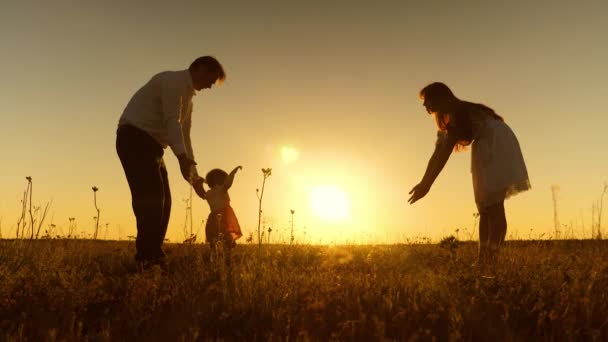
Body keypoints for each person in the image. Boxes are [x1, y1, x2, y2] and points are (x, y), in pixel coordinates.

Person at [116, 56, 225, 269]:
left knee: (165, 202)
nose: (210, 87)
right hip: (134, 138)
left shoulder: (189, 100)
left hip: (154, 147)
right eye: (211, 80)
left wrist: (194, 177)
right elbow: (171, 123)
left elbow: (185, 136)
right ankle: (146, 258)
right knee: (151, 198)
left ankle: (153, 256)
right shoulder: (172, 82)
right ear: (201, 69)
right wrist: (182, 159)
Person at [408, 82, 530, 266]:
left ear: (441, 98)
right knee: (485, 207)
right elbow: (436, 155)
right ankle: (484, 259)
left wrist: (427, 185)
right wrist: (424, 182)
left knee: (494, 205)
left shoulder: (458, 113)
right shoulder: (450, 118)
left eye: (427, 100)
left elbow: (443, 155)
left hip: (495, 143)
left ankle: (491, 260)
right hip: (488, 143)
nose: (425, 106)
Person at [200, 166, 243, 252]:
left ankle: (215, 256)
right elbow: (228, 183)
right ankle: (226, 257)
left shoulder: (208, 193)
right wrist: (233, 172)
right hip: (224, 217)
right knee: (226, 238)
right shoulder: (222, 189)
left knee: (214, 238)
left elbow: (200, 192)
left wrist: (198, 182)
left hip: (213, 218)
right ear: (220, 180)